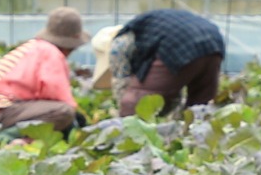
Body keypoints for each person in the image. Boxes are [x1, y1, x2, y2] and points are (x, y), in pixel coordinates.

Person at [91, 8, 226, 115]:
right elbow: (174, 87)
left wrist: (122, 109)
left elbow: (121, 82)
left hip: (178, 44)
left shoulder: (118, 43)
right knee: (199, 108)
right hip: (213, 44)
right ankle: (194, 141)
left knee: (135, 102)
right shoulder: (145, 32)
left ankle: (131, 146)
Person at [0, 7, 85, 131]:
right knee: (64, 112)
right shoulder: (51, 53)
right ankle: (14, 140)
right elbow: (57, 95)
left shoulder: (34, 47)